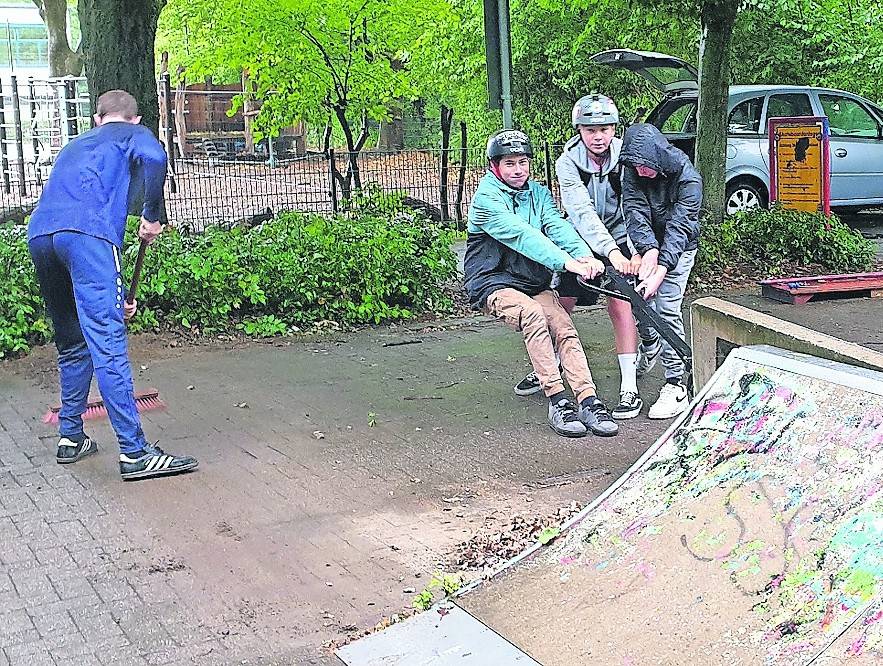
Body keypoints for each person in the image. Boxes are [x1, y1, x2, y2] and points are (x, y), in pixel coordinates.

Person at [28, 89, 198, 481]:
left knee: (73, 340)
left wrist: (112, 296)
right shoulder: (133, 135)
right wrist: (153, 216)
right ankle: (135, 453)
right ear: (135, 120)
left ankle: (70, 437)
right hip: (88, 236)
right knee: (107, 340)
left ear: (96, 119)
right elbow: (155, 157)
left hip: (41, 236)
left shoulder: (76, 144)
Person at [464, 129, 618, 438]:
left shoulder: (537, 193)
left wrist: (585, 257)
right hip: (493, 281)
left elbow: (557, 226)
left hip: (531, 281)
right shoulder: (486, 199)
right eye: (509, 163)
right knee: (533, 315)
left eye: (523, 162)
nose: (518, 170)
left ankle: (588, 400)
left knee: (563, 325)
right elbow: (523, 235)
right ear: (495, 166)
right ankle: (558, 402)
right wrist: (567, 263)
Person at [516, 94, 644, 421]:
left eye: (604, 128)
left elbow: (633, 207)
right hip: (581, 239)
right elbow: (581, 212)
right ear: (579, 130)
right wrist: (604, 253)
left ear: (615, 128)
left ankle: (629, 387)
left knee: (620, 303)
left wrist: (628, 251)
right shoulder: (567, 162)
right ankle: (553, 364)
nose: (598, 136)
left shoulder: (627, 158)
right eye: (590, 129)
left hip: (622, 234)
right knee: (563, 303)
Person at [619, 122, 702, 419]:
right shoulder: (631, 170)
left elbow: (681, 226)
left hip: (680, 247)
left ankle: (676, 383)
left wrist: (662, 266)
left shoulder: (687, 177)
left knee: (666, 308)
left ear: (657, 156)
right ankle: (651, 343)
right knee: (638, 300)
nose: (640, 172)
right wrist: (648, 251)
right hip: (647, 244)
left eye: (645, 166)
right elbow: (634, 210)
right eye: (635, 166)